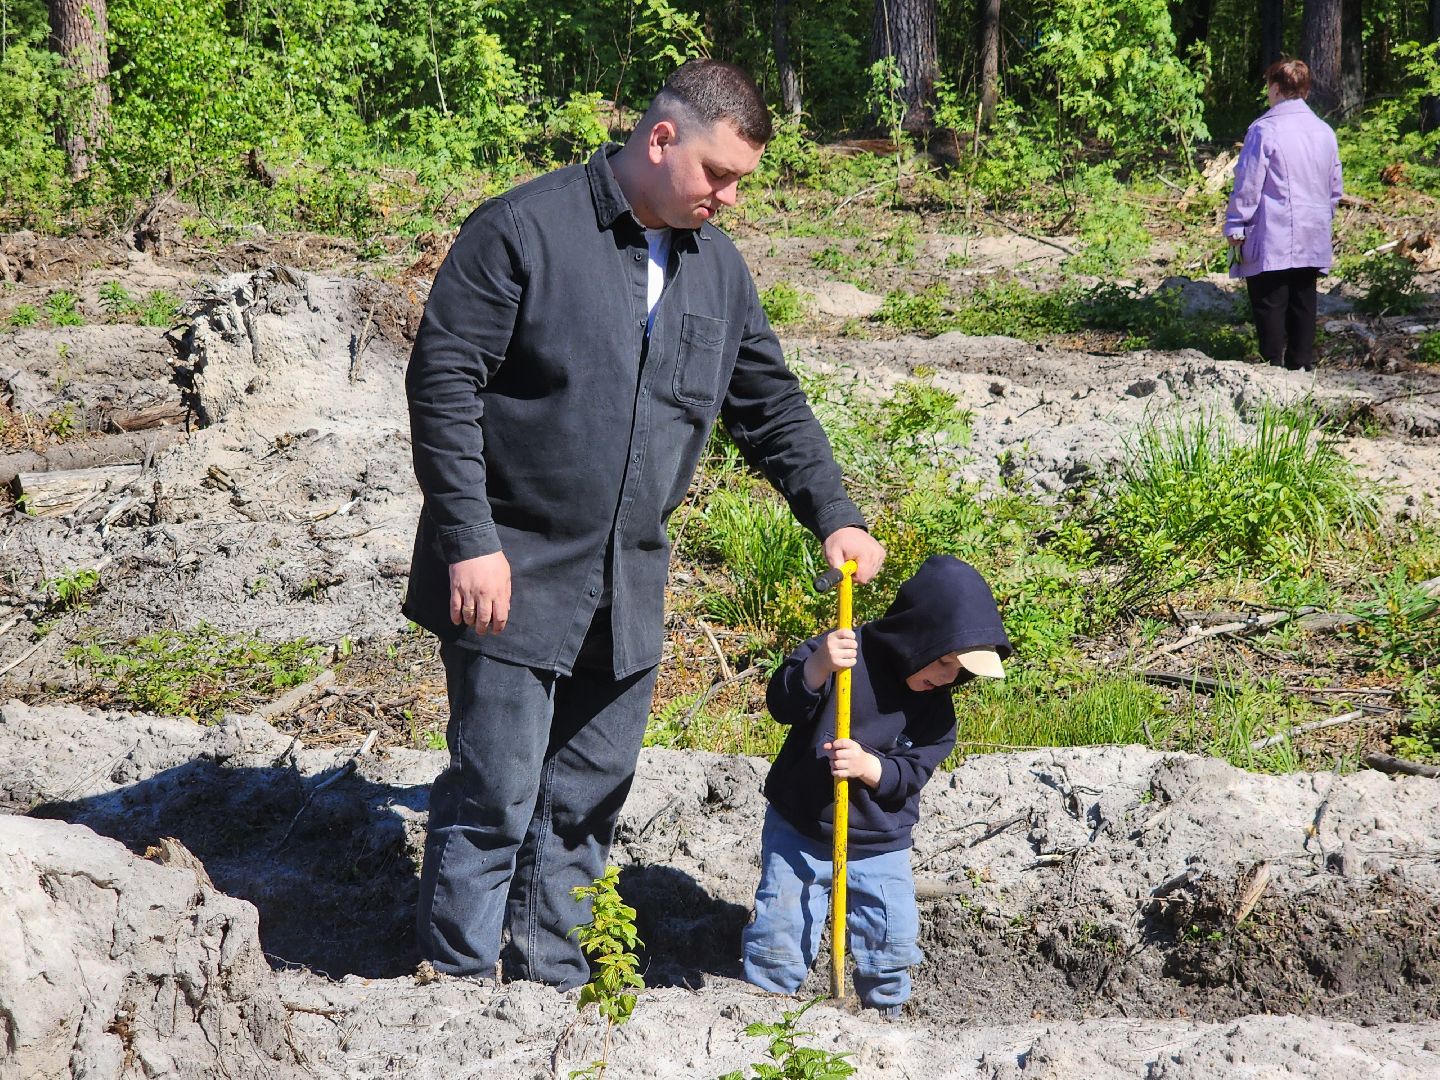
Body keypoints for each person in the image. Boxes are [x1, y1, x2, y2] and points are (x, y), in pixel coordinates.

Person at [402, 59, 885, 989]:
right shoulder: (523, 231)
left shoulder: (719, 272)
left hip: (628, 586)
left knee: (584, 800)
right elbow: (443, 384)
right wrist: (471, 541)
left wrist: (833, 512)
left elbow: (769, 405)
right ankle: (454, 995)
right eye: (717, 174)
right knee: (495, 793)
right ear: (660, 139)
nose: (729, 198)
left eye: (740, 180)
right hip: (511, 570)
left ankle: (552, 981)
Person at [741, 554, 1011, 1016]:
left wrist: (871, 768)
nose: (947, 677)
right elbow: (781, 702)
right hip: (800, 830)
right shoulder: (845, 654)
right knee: (779, 933)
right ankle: (764, 1014)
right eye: (943, 661)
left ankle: (884, 1025)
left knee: (889, 940)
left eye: (958, 671)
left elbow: (911, 774)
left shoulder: (937, 712)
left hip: (881, 844)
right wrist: (818, 667)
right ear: (916, 635)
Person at [1224, 58, 1343, 372]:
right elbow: (1335, 187)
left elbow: (1249, 182)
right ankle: (1301, 369)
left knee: (1270, 302)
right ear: (1303, 90)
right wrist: (1323, 218)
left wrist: (1236, 222)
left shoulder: (1265, 129)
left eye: (1268, 86)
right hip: (1313, 231)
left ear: (1275, 87)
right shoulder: (1325, 131)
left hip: (1274, 231)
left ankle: (1272, 370)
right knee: (1304, 301)